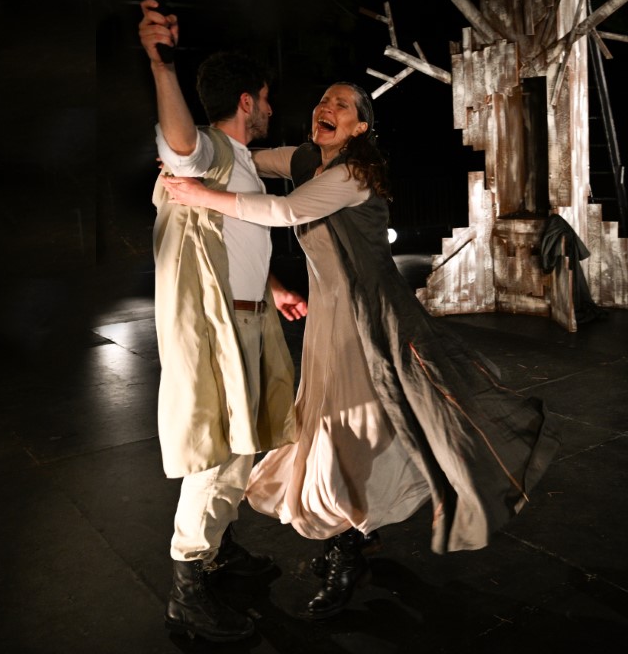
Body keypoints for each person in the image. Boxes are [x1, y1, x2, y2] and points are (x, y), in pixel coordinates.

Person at [162, 81, 561, 619]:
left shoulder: (353, 174)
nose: (326, 108)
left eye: (342, 106)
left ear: (360, 128)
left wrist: (200, 195)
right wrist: (189, 159)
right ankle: (356, 537)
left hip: (367, 314)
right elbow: (245, 159)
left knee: (350, 431)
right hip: (328, 319)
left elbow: (285, 210)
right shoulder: (308, 158)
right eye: (323, 100)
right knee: (339, 426)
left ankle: (348, 549)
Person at [138, 0, 308, 642]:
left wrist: (275, 287)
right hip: (217, 330)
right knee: (216, 458)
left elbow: (236, 239)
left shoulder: (239, 162)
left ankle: (219, 548)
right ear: (246, 101)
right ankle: (187, 587)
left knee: (242, 446)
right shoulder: (208, 150)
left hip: (251, 319)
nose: (269, 109)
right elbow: (179, 144)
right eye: (264, 99)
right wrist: (161, 66)